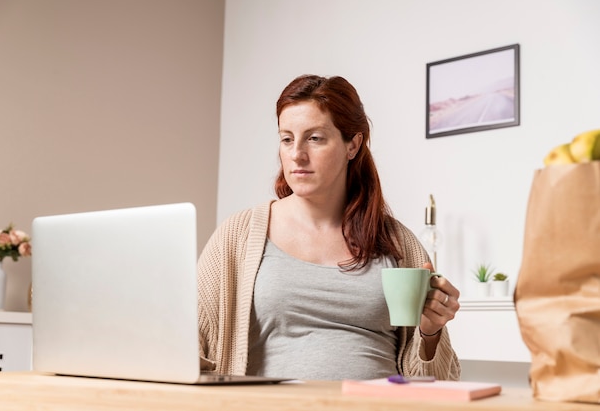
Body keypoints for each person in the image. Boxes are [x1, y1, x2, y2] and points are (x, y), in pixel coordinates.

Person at [197, 74, 461, 381]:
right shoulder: (237, 236)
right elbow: (191, 343)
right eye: (287, 139)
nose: (297, 154)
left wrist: (430, 333)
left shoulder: (396, 242)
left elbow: (438, 381)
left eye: (315, 138)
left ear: (353, 144)